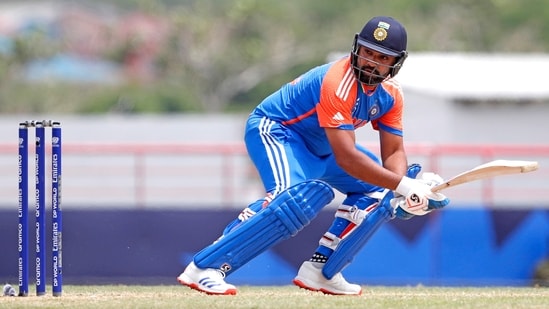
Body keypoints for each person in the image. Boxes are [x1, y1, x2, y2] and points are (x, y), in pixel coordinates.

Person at [177, 16, 449, 296]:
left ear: (396, 62)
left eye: (382, 57)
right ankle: (205, 267)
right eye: (367, 52)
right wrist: (404, 185)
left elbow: (392, 151)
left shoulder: (391, 94)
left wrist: (403, 193)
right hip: (278, 131)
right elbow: (347, 158)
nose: (371, 62)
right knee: (289, 200)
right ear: (357, 47)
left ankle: (321, 270)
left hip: (322, 145)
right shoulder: (337, 81)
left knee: (378, 193)